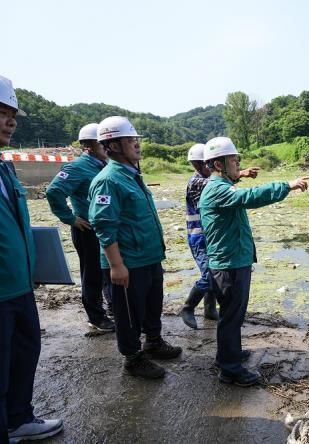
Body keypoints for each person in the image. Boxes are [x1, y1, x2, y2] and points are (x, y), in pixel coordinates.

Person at [199, 136, 309, 386]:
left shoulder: (221, 184)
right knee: (231, 317)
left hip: (231, 261)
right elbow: (251, 197)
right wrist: (287, 186)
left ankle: (227, 356)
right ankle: (230, 369)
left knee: (231, 316)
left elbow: (238, 187)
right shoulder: (218, 189)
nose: (238, 163)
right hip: (229, 265)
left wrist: (241, 175)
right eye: (233, 160)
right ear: (218, 165)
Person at [88, 116, 181, 380]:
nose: (137, 145)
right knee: (128, 313)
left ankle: (153, 341)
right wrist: (116, 265)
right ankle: (132, 357)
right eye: (131, 141)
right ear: (113, 146)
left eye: (136, 140)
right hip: (128, 262)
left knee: (152, 305)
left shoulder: (132, 175)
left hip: (149, 258)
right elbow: (104, 224)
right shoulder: (108, 180)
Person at [0, 75, 63, 442]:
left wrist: (33, 268)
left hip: (20, 285)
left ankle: (19, 418)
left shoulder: (6, 169)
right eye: (2, 113)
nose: (11, 121)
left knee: (25, 353)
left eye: (13, 114)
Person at [180, 143, 259, 329]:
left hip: (211, 234)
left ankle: (209, 309)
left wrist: (239, 174)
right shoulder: (198, 183)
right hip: (198, 236)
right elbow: (223, 187)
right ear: (200, 165)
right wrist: (240, 174)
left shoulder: (210, 180)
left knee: (215, 273)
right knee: (211, 273)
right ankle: (188, 306)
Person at [46, 123, 114, 332]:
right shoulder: (77, 167)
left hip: (103, 227)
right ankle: (96, 317)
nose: (105, 146)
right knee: (91, 273)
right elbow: (53, 191)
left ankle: (109, 307)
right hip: (86, 228)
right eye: (101, 143)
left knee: (106, 269)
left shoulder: (103, 165)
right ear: (88, 145)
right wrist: (70, 218)